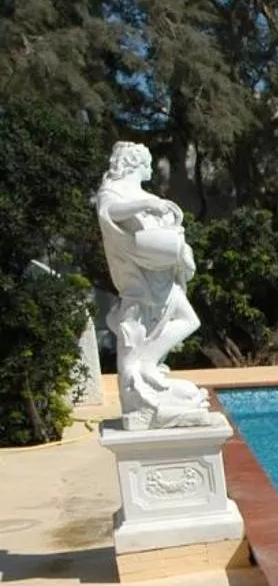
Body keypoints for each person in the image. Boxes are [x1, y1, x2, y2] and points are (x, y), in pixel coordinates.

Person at [96, 142, 207, 425]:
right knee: (158, 324)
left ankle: (147, 362)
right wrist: (147, 205)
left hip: (161, 274)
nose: (150, 168)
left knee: (189, 320)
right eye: (147, 163)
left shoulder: (142, 193)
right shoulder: (113, 191)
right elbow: (110, 212)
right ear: (135, 164)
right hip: (140, 277)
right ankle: (141, 388)